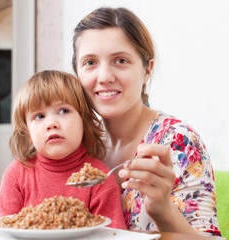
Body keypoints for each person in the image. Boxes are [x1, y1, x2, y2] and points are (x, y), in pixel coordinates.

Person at [72, 7, 221, 236]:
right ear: (77, 74)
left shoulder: (180, 143)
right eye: (90, 63)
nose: (104, 77)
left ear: (146, 70)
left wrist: (163, 211)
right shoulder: (78, 144)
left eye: (120, 60)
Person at [0, 70, 126, 229]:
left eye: (63, 111)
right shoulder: (15, 174)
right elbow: (1, 230)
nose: (51, 123)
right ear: (28, 133)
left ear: (84, 122)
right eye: (39, 116)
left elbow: (113, 234)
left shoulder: (100, 179)